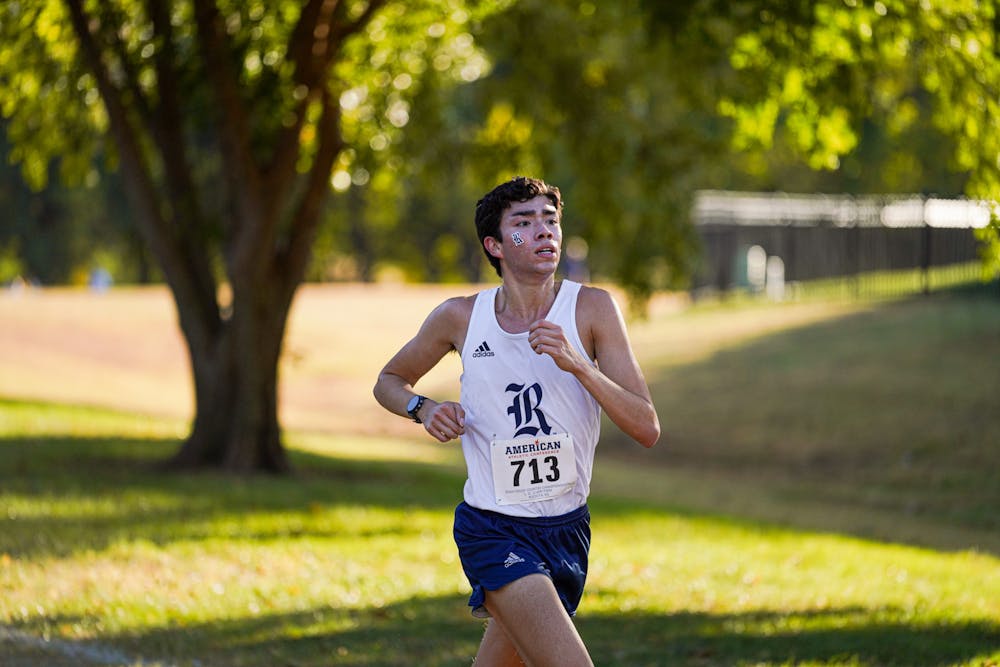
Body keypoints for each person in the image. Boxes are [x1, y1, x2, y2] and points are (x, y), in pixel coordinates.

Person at [373, 176, 660, 666]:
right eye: (524, 223)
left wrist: (579, 364)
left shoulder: (591, 309)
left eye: (550, 220)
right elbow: (389, 380)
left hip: (568, 529)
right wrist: (424, 409)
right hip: (494, 529)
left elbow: (646, 427)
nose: (544, 231)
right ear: (496, 245)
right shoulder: (461, 318)